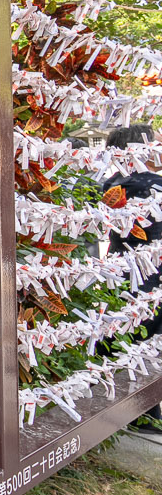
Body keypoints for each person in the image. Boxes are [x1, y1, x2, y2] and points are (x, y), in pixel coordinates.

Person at [102, 124, 162, 424]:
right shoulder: (151, 185)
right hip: (148, 276)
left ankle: (136, 409)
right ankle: (143, 412)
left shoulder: (111, 184)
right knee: (145, 342)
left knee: (124, 342)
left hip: (118, 272)